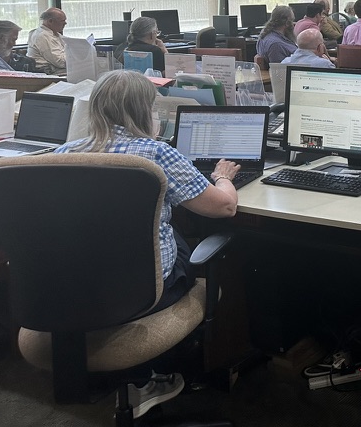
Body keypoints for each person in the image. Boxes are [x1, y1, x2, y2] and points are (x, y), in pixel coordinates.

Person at [53, 70, 240, 418]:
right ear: (144, 112)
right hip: (143, 292)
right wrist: (222, 177)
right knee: (187, 241)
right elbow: (224, 207)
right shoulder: (154, 153)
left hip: (74, 289)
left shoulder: (61, 155)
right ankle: (155, 377)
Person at [26, 7, 68, 75]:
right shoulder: (42, 36)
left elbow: (69, 45)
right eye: (62, 21)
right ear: (50, 21)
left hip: (57, 69)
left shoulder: (54, 34)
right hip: (49, 72)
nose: (65, 23)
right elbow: (60, 62)